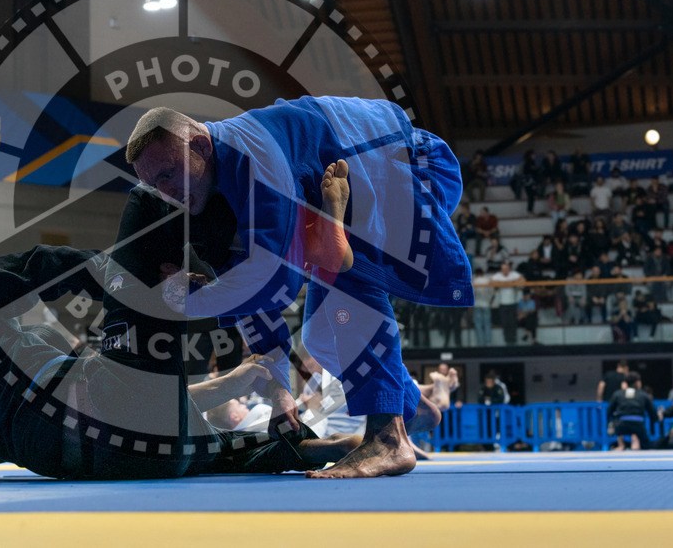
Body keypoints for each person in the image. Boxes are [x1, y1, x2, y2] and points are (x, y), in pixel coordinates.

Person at [121, 98, 468, 478]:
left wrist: (188, 303)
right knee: (320, 338)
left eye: (168, 174)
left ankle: (388, 439)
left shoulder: (255, 157)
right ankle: (409, 404)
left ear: (201, 146)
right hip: (343, 194)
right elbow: (245, 294)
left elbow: (273, 281)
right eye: (152, 184)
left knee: (346, 282)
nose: (164, 192)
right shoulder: (205, 199)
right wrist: (279, 389)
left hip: (407, 161)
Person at [0, 246, 357, 480]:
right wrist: (123, 281)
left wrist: (228, 384)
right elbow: (40, 267)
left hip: (122, 461)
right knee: (149, 218)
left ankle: (320, 447)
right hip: (112, 409)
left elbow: (133, 415)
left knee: (215, 452)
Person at [607, 372, 659, 450]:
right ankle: (635, 443)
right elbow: (652, 412)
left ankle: (621, 444)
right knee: (645, 444)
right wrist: (656, 419)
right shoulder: (643, 395)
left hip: (621, 426)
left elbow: (609, 411)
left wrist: (611, 423)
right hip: (638, 426)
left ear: (625, 383)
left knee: (620, 425)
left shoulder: (617, 394)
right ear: (638, 382)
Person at [490, 262, 523, 345]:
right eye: (503, 269)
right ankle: (507, 341)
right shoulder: (498, 275)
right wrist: (503, 284)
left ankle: (514, 340)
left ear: (509, 269)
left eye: (506, 269)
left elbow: (523, 280)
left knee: (513, 323)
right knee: (505, 323)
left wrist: (512, 283)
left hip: (512, 303)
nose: (505, 271)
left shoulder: (514, 274)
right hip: (503, 303)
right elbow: (490, 282)